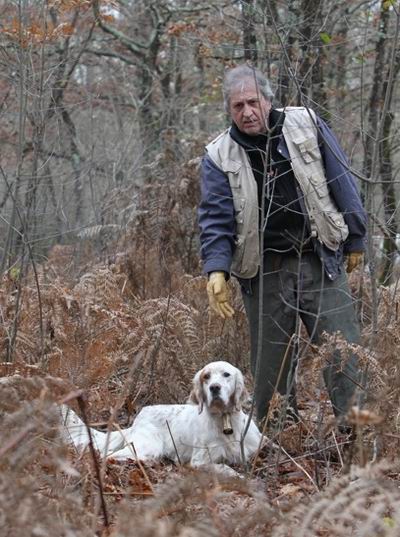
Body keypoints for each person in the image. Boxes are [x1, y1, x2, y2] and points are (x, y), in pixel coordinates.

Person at [198, 64, 367, 428]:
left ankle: (359, 440)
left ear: (268, 100)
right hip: (265, 273)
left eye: (252, 102)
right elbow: (215, 218)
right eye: (237, 106)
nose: (247, 112)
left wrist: (356, 235)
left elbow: (341, 178)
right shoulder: (218, 155)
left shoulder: (305, 123)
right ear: (229, 110)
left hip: (320, 260)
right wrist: (216, 269)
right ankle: (273, 441)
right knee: (270, 370)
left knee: (344, 356)